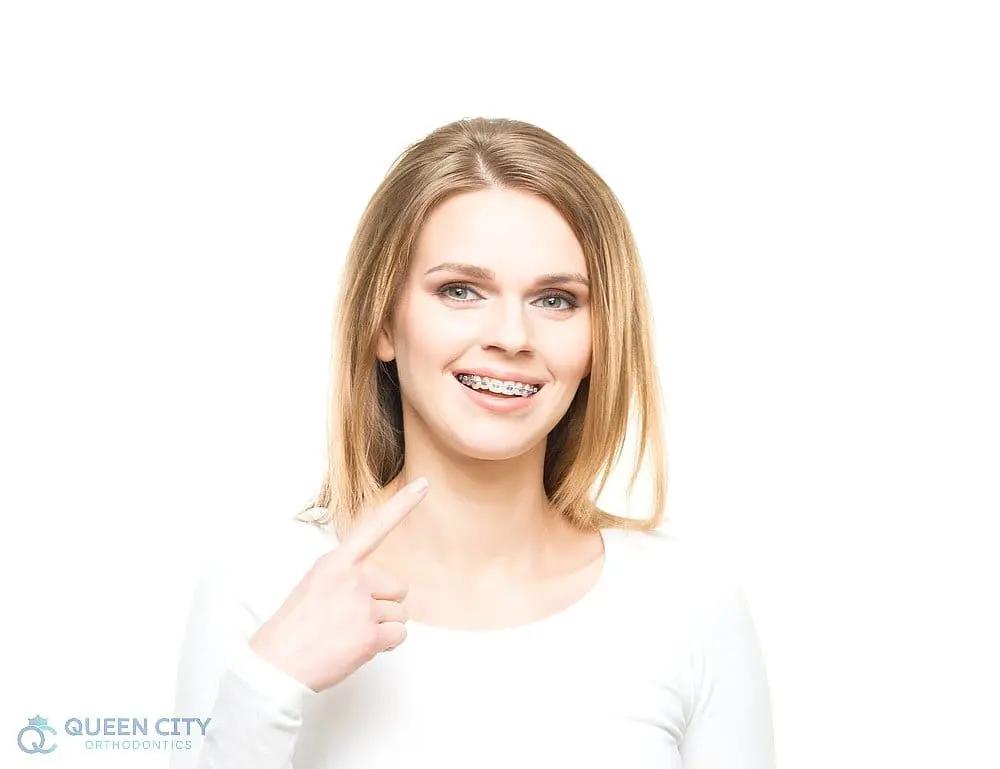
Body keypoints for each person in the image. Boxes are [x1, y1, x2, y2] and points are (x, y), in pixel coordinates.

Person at [170, 117, 777, 769]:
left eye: (555, 299)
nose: (512, 335)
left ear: (601, 338)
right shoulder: (263, 588)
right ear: (383, 322)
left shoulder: (689, 603)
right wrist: (268, 684)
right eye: (461, 290)